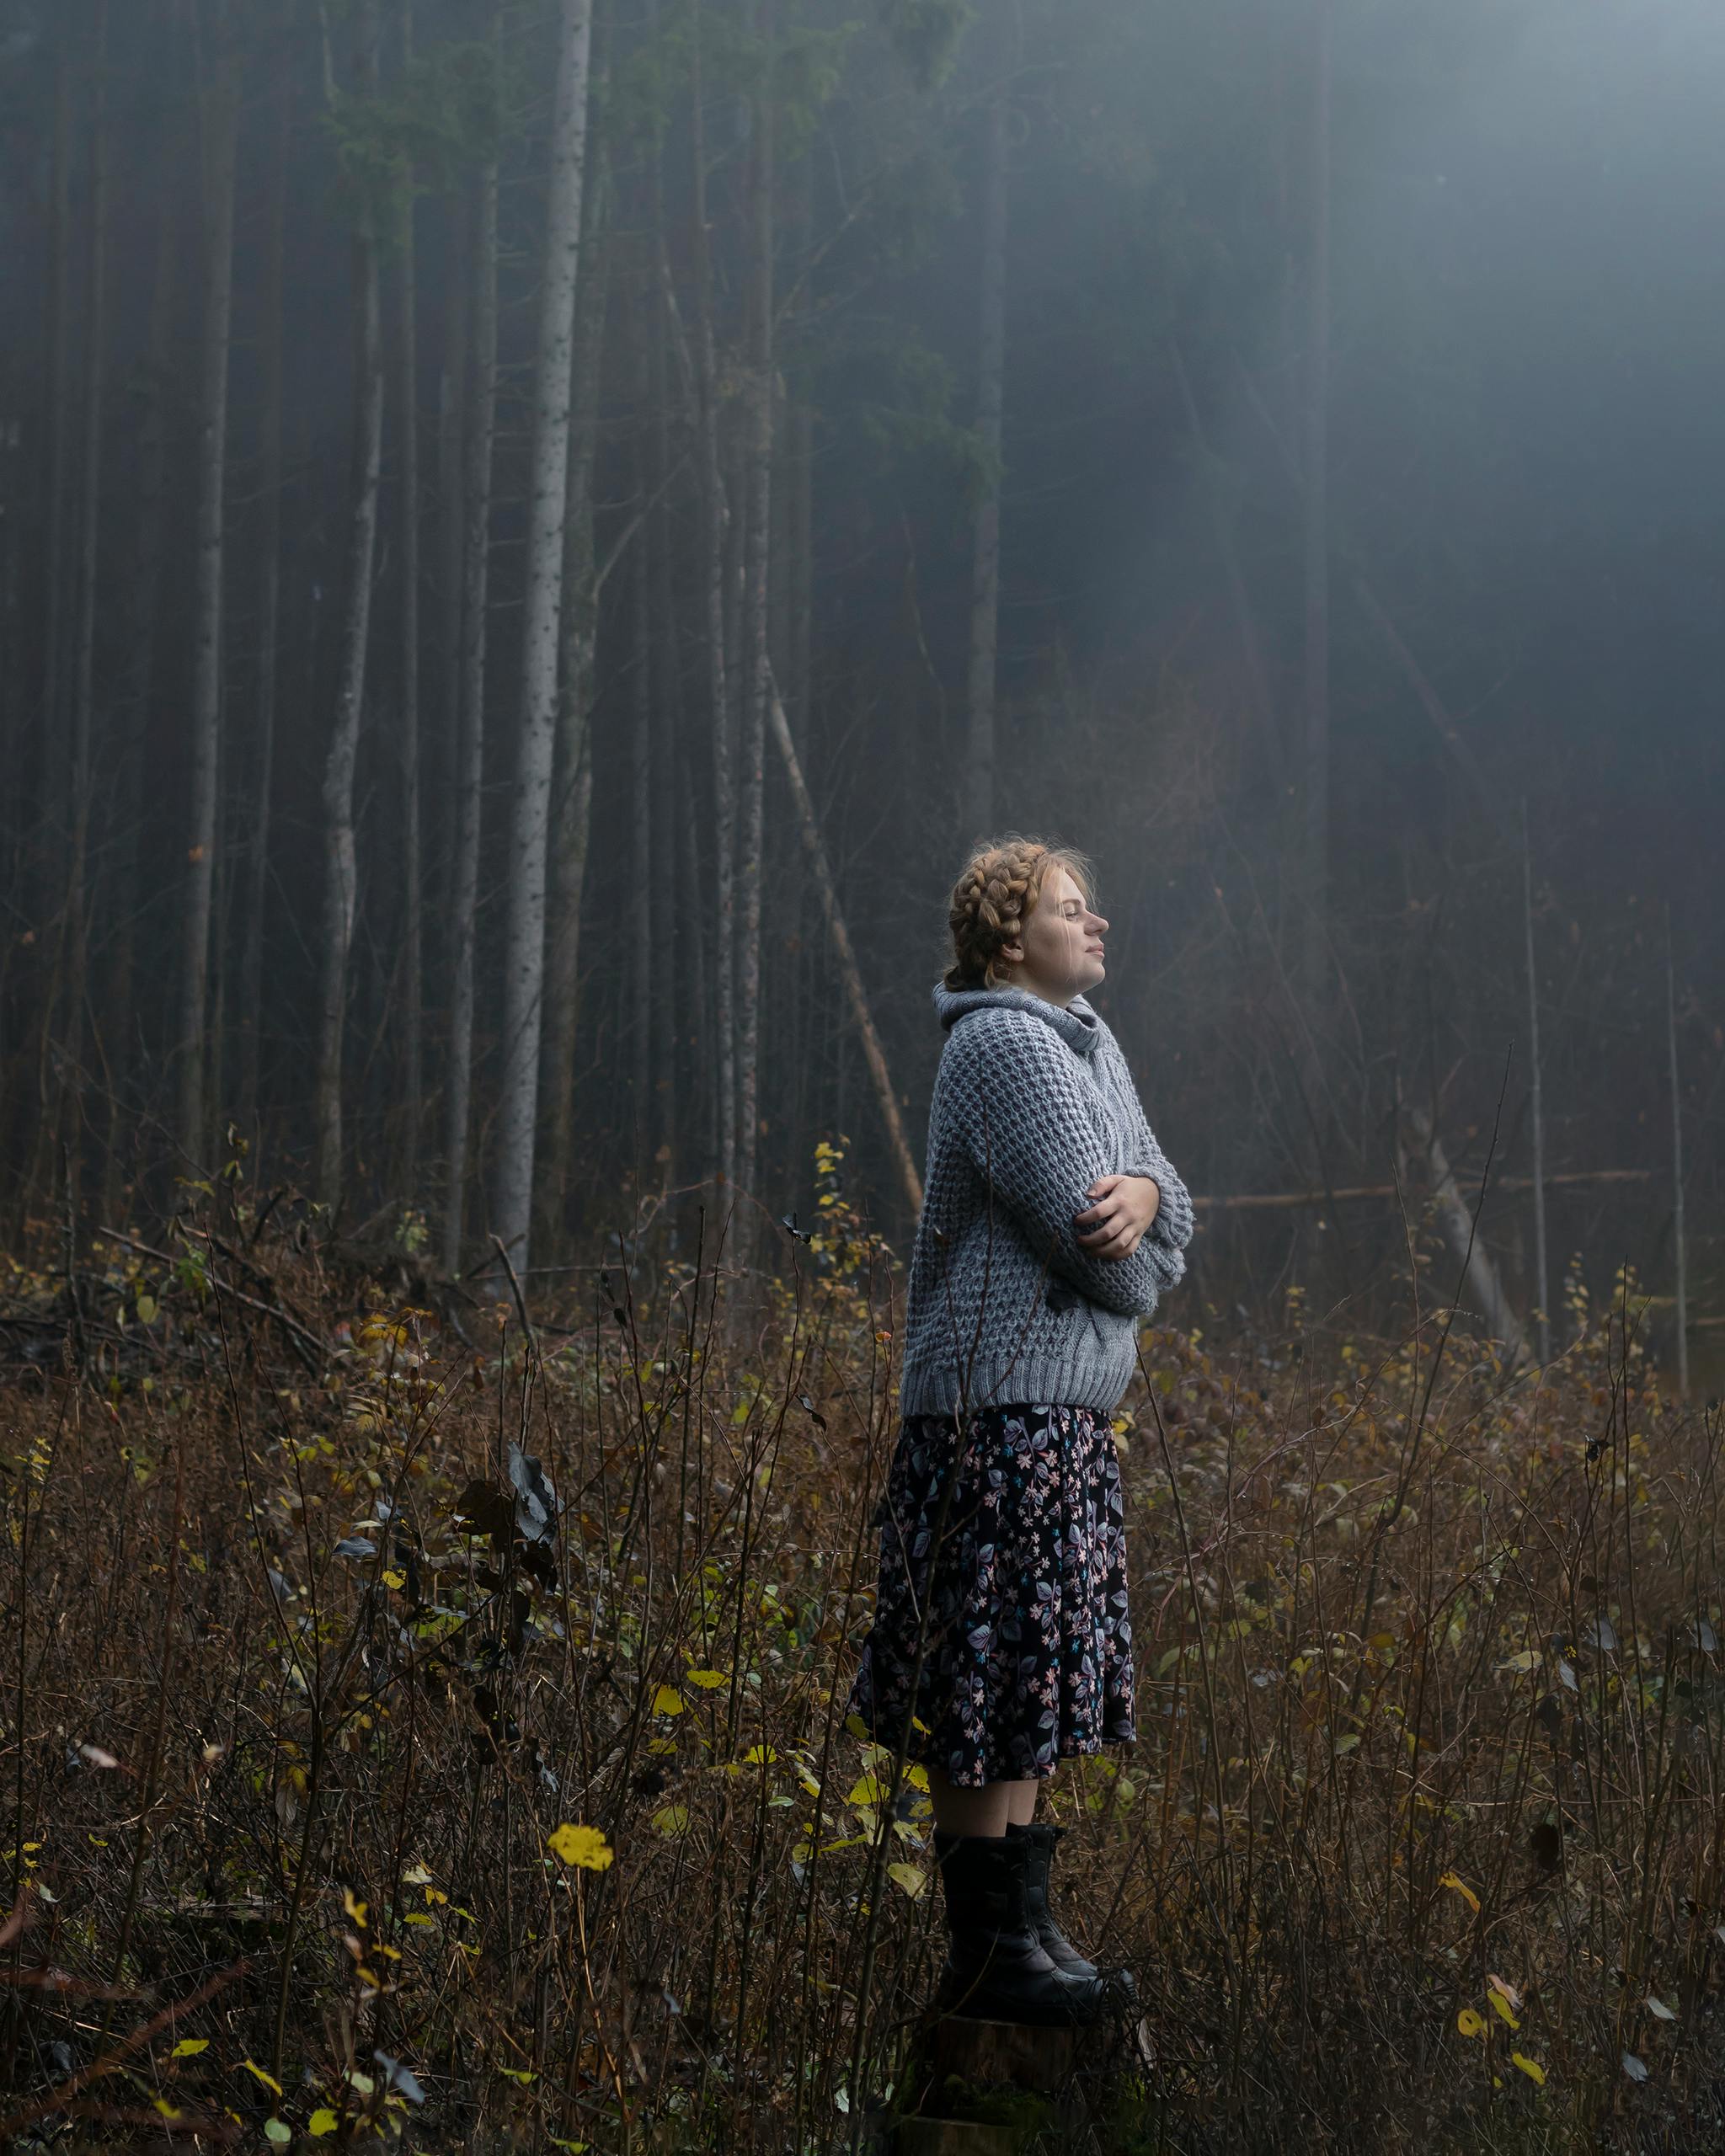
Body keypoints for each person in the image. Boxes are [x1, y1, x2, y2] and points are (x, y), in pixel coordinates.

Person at [844, 836, 1194, 2025]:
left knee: (1030, 1686)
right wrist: (1139, 1223)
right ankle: (988, 1957)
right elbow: (1112, 1264)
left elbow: (1169, 1204)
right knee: (988, 1681)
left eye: (1093, 905)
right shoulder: (1001, 1041)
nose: (1097, 923)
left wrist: (1149, 1197)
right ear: (1008, 937)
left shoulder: (1091, 1044)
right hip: (994, 1417)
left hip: (1060, 1420)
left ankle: (1022, 1938)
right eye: (1069, 907)